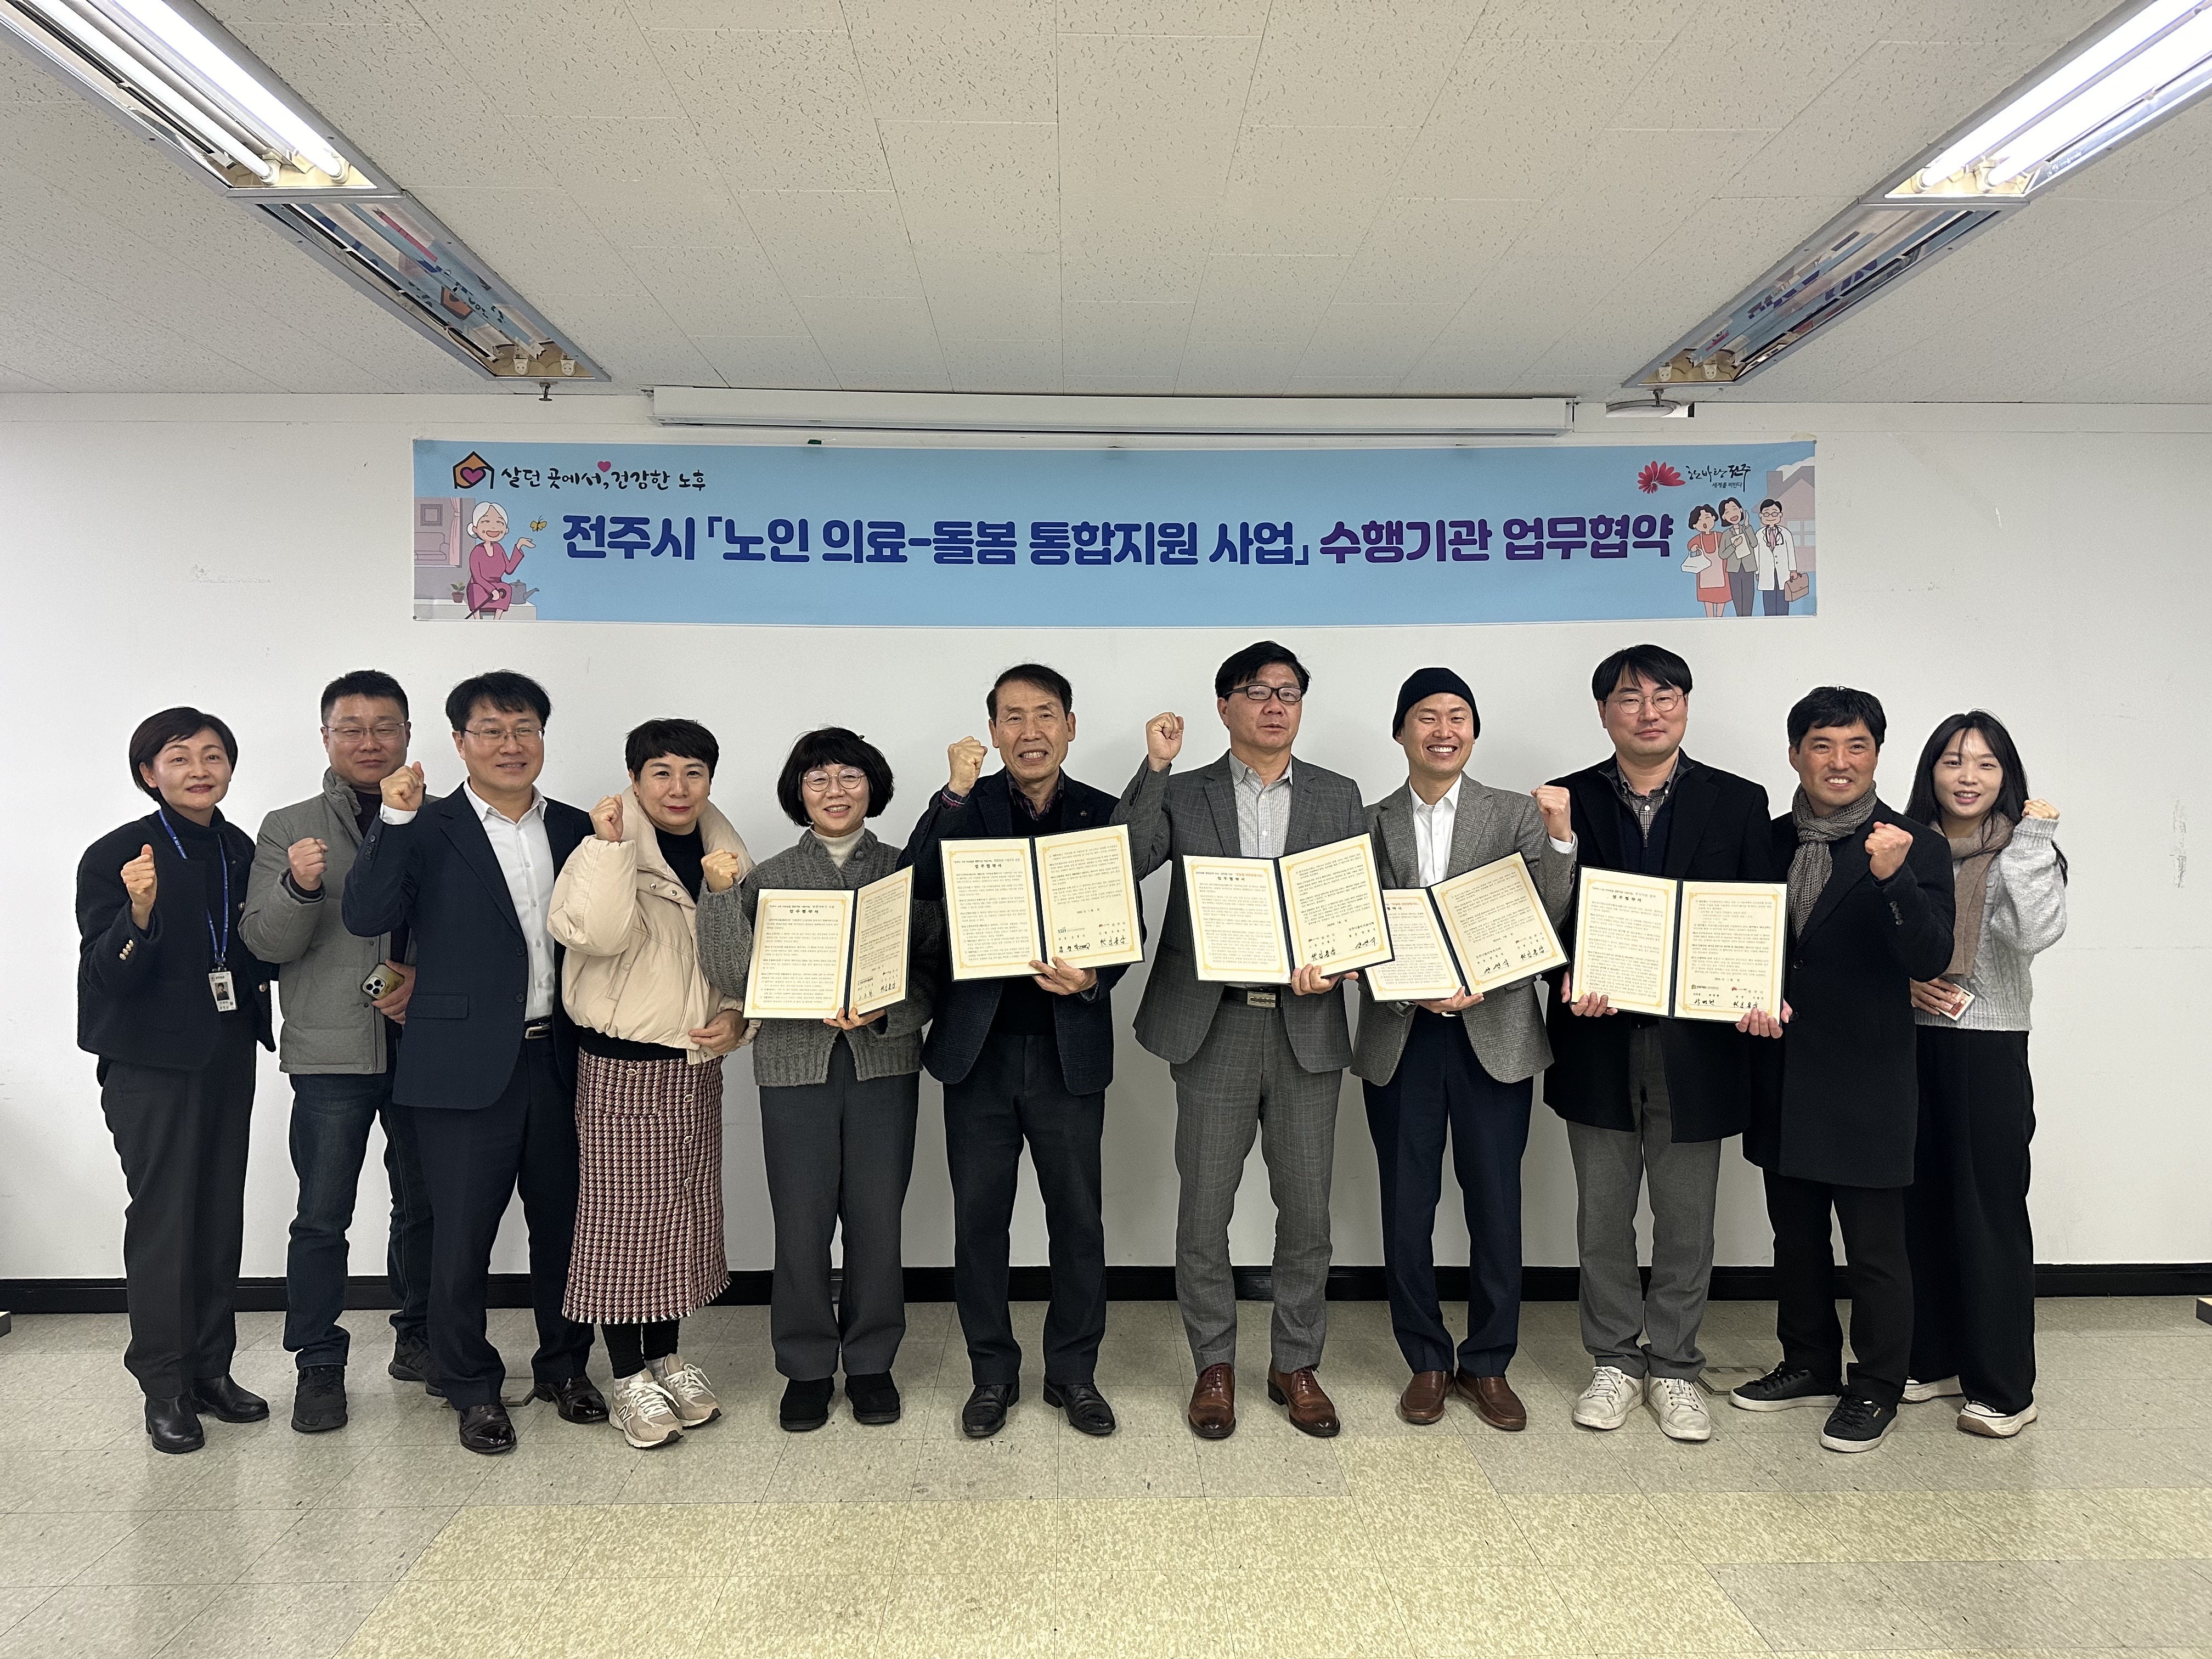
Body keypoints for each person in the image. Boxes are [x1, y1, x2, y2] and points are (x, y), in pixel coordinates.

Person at [342, 670, 606, 1455]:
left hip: (562, 1058)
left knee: (567, 1228)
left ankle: (566, 1368)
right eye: (491, 730)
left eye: (524, 729)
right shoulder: (424, 825)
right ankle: (471, 1386)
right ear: (459, 743)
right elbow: (366, 912)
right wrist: (393, 817)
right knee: (459, 1237)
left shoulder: (577, 829)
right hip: (459, 1064)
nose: (510, 745)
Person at [1115, 640, 1366, 1440]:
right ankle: (1213, 1365)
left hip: (1306, 1027)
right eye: (1257, 691)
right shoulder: (1184, 791)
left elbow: (1353, 904)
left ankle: (1296, 1364)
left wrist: (1343, 961)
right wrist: (1155, 768)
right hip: (1214, 1025)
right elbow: (1125, 859)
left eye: (1289, 692)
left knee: (1308, 1213)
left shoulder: (1337, 794)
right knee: (1204, 1210)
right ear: (1224, 706)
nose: (1275, 705)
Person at [1544, 645, 1782, 1443]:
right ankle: (1615, 1360)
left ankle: (1676, 1366)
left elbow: (1760, 910)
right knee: (1603, 1217)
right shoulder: (1566, 800)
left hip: (1699, 1047)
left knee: (1686, 1220)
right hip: (1597, 1036)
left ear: (1685, 704)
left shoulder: (1738, 800)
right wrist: (1573, 971)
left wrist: (1761, 988)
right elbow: (1545, 914)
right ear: (1603, 712)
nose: (1648, 712)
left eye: (1664, 696)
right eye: (1629, 698)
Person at [900, 664, 1136, 1440]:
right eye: (1013, 717)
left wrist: (1094, 978)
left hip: (1070, 1052)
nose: (1030, 731)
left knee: (1078, 1222)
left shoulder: (1103, 813)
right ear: (993, 731)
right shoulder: (966, 805)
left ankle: (1074, 1373)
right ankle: (991, 1375)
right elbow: (913, 884)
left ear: (1070, 725)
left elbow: (1124, 925)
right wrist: (953, 792)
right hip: (979, 1053)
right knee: (980, 1224)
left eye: (1045, 715)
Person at [696, 728, 939, 1433]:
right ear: (798, 793)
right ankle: (805, 1368)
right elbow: (731, 973)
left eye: (850, 777)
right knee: (800, 1223)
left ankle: (870, 1364)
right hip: (793, 1068)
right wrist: (721, 896)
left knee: (876, 1220)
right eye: (818, 779)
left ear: (873, 787)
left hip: (883, 1064)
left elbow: (936, 973)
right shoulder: (766, 876)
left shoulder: (905, 870)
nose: (836, 791)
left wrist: (890, 1008)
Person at [1352, 668, 1576, 1432]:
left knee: (1496, 1206)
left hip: (1496, 1032)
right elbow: (1356, 926)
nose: (1443, 730)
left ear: (1474, 732)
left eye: (1457, 716)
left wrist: (1560, 841)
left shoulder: (1515, 813)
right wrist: (1407, 988)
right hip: (1402, 1035)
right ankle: (1425, 1358)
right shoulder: (1369, 819)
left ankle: (1488, 1362)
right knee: (1406, 1208)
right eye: (1426, 716)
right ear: (1400, 731)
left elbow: (1546, 916)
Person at [1732, 686, 1953, 1454]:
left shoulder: (1914, 845)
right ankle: (1808, 1363)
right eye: (1822, 745)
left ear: (1877, 756)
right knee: (1794, 1239)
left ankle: (1877, 1385)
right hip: (1781, 1070)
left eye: (1857, 746)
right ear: (1795, 754)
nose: (1839, 762)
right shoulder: (1767, 840)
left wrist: (1893, 878)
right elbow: (1740, 941)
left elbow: (1929, 956)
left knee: (1875, 1251)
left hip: (1868, 1077)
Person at [549, 719, 754, 1450]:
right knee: (622, 1227)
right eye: (661, 772)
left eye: (693, 772)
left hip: (695, 1065)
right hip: (620, 1068)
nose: (678, 787)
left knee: (681, 1219)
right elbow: (597, 935)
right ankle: (627, 1375)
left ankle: (667, 1359)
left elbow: (744, 959)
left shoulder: (725, 854)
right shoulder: (601, 849)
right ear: (635, 780)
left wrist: (739, 1017)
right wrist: (610, 848)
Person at [77, 708, 276, 1453]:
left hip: (226, 1051)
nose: (199, 770)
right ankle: (163, 1386)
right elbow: (106, 974)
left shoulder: (239, 848)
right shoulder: (117, 854)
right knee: (166, 1220)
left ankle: (211, 1371)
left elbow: (256, 948)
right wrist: (138, 912)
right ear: (148, 773)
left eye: (213, 755)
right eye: (180, 757)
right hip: (150, 1063)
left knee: (219, 1214)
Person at [240, 670, 432, 1435]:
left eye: (385, 727)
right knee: (322, 1216)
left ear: (408, 735)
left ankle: (418, 1338)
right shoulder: (288, 826)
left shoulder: (443, 820)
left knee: (424, 1203)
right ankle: (318, 1362)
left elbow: (469, 930)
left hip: (427, 1045)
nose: (369, 742)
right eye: (351, 728)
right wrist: (297, 886)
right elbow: (265, 943)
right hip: (329, 1052)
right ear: (325, 737)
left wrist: (424, 980)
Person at [1900, 712, 2066, 1438]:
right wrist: (1904, 983)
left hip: (1988, 1048)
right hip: (1907, 1044)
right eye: (1953, 761)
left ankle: (2005, 1386)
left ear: (2007, 777)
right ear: (1930, 771)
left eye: (1986, 764)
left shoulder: (2024, 851)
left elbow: (2032, 934)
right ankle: (1935, 1358)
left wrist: (2031, 841)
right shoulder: (1905, 846)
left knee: (1987, 1213)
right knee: (1919, 1211)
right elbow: (1877, 939)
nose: (1968, 777)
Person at [1755, 497, 1798, 616]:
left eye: (1774, 513)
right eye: (1766, 514)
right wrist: (1758, 572)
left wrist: (1793, 570)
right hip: (1766, 571)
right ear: (1761, 515)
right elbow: (1756, 554)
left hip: (1783, 571)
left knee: (1783, 596)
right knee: (1768, 598)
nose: (1770, 516)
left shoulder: (1785, 533)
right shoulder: (1759, 534)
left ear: (1780, 515)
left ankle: (1783, 619)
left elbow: (1791, 552)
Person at [1717, 496, 1759, 617]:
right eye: (1728, 512)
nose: (1732, 514)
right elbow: (1722, 554)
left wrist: (1747, 526)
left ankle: (1748, 618)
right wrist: (1734, 546)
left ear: (1741, 510)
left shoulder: (1747, 529)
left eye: (1735, 509)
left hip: (1748, 568)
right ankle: (1739, 618)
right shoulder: (1726, 534)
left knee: (1749, 594)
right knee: (1737, 596)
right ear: (1724, 517)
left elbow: (1754, 543)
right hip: (1734, 569)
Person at [1685, 505, 1730, 617]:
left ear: (1714, 517)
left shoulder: (1720, 536)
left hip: (1721, 573)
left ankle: (1719, 616)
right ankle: (1709, 617)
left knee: (1721, 596)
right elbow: (1690, 545)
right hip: (1705, 575)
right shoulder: (1697, 539)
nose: (1704, 522)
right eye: (1700, 520)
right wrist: (1693, 548)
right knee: (1707, 597)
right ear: (1695, 525)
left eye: (1707, 518)